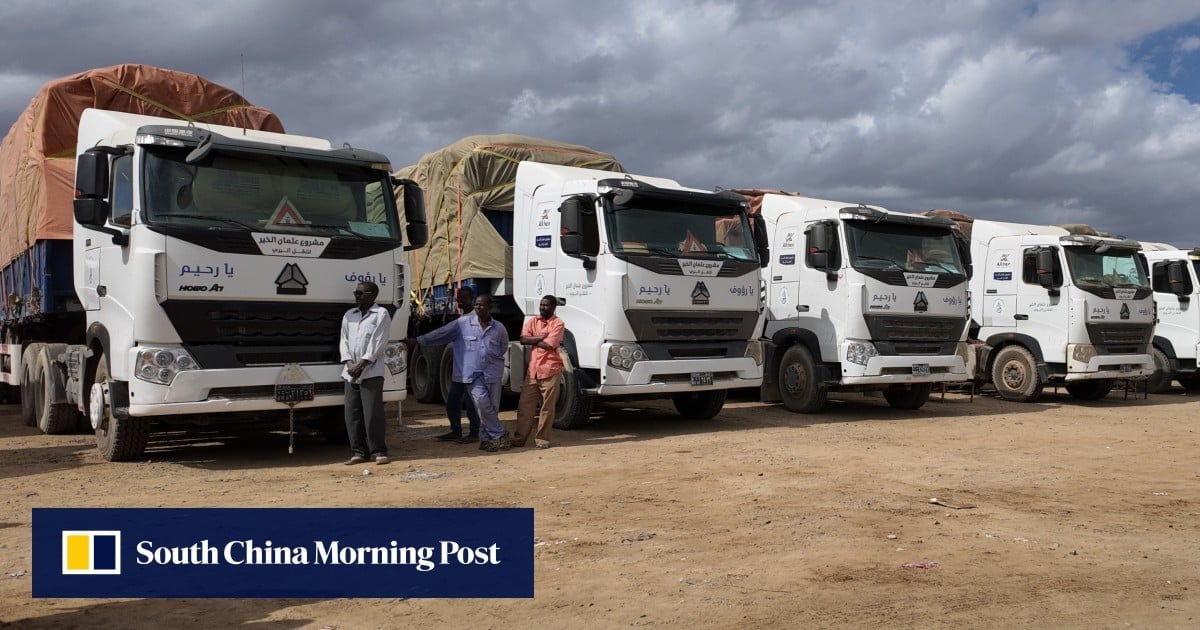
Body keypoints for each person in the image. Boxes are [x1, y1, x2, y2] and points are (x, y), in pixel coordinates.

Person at [411, 294, 510, 452]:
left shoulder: (499, 328)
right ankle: (500, 433)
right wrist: (420, 340)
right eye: (476, 304)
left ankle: (486, 440)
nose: (478, 307)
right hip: (472, 374)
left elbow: (503, 346)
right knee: (482, 403)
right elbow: (441, 334)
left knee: (491, 407)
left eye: (481, 305)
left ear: (490, 307)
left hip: (492, 373)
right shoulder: (462, 323)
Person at [339, 281, 392, 465]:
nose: (357, 296)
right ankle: (358, 451)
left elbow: (378, 343)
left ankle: (378, 451)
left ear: (372, 295)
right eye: (356, 293)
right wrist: (349, 363)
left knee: (372, 413)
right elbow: (343, 341)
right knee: (352, 413)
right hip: (350, 371)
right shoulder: (349, 315)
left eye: (360, 293)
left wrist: (361, 364)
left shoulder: (381, 314)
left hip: (371, 371)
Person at [512, 295, 565, 449]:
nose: (542, 307)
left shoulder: (558, 323)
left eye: (546, 305)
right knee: (524, 407)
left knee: (547, 408)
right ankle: (519, 439)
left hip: (550, 370)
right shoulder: (533, 321)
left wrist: (532, 339)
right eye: (541, 305)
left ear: (553, 307)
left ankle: (542, 439)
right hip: (533, 371)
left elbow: (549, 345)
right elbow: (522, 339)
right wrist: (539, 338)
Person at [433, 285, 482, 444]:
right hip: (460, 370)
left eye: (463, 297)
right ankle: (456, 431)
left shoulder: (477, 319)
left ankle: (474, 433)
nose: (459, 300)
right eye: (458, 297)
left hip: (472, 371)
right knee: (453, 401)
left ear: (472, 299)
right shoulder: (461, 320)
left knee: (470, 403)